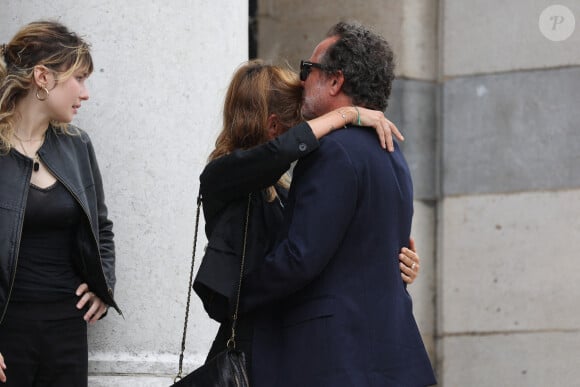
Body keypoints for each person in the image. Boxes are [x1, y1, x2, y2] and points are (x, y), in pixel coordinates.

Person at [231, 22, 438, 386]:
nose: (300, 81)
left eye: (309, 70)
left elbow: (300, 257)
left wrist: (237, 295)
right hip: (386, 359)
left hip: (335, 359)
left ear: (336, 81)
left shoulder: (334, 151)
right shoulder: (391, 153)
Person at [0, 21, 120, 386]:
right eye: (78, 79)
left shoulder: (77, 145)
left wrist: (104, 285)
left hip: (67, 328)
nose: (85, 93)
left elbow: (101, 227)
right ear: (42, 77)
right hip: (9, 329)